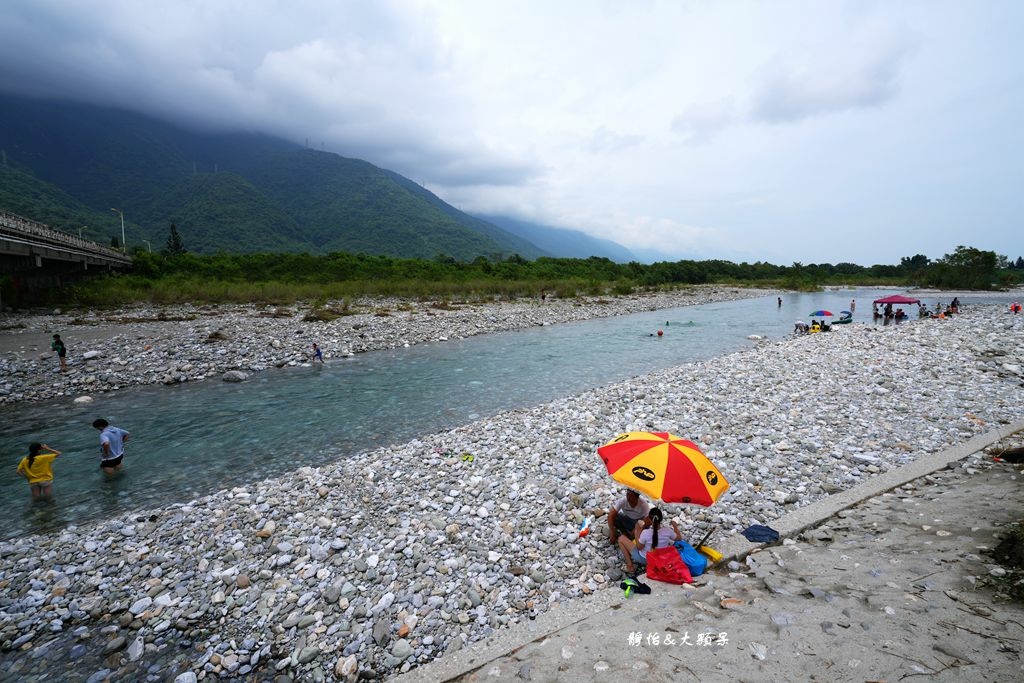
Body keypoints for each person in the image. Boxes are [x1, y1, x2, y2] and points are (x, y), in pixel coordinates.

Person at [618, 507, 681, 575]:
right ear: (661, 519)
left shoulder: (646, 532)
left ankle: (630, 566)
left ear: (650, 520)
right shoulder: (667, 531)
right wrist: (675, 526)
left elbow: (639, 547)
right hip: (659, 560)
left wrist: (637, 531)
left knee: (621, 539)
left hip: (644, 559)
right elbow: (679, 538)